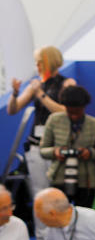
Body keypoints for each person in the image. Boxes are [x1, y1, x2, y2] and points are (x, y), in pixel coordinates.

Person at [6, 45, 77, 209]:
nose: (37, 67)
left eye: (39, 63)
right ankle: (42, 233)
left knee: (60, 191)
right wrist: (15, 93)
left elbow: (66, 111)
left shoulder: (67, 83)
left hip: (58, 145)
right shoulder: (36, 86)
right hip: (36, 145)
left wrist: (41, 95)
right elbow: (13, 109)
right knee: (39, 191)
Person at [39, 85, 95, 208]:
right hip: (59, 178)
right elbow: (42, 150)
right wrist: (56, 152)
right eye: (70, 112)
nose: (74, 116)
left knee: (85, 216)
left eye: (78, 111)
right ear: (65, 107)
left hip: (87, 181)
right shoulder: (54, 120)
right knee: (59, 215)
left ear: (84, 107)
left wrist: (90, 153)